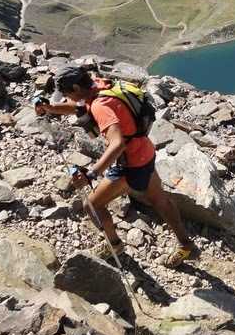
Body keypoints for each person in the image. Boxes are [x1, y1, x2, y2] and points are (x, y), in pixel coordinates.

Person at [33, 64, 197, 268]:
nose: (67, 96)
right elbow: (79, 107)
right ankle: (186, 244)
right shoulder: (100, 86)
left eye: (67, 92)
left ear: (76, 87)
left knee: (91, 205)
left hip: (130, 164)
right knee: (159, 200)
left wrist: (92, 174)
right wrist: (49, 108)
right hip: (145, 151)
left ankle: (115, 245)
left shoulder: (101, 106)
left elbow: (117, 143)